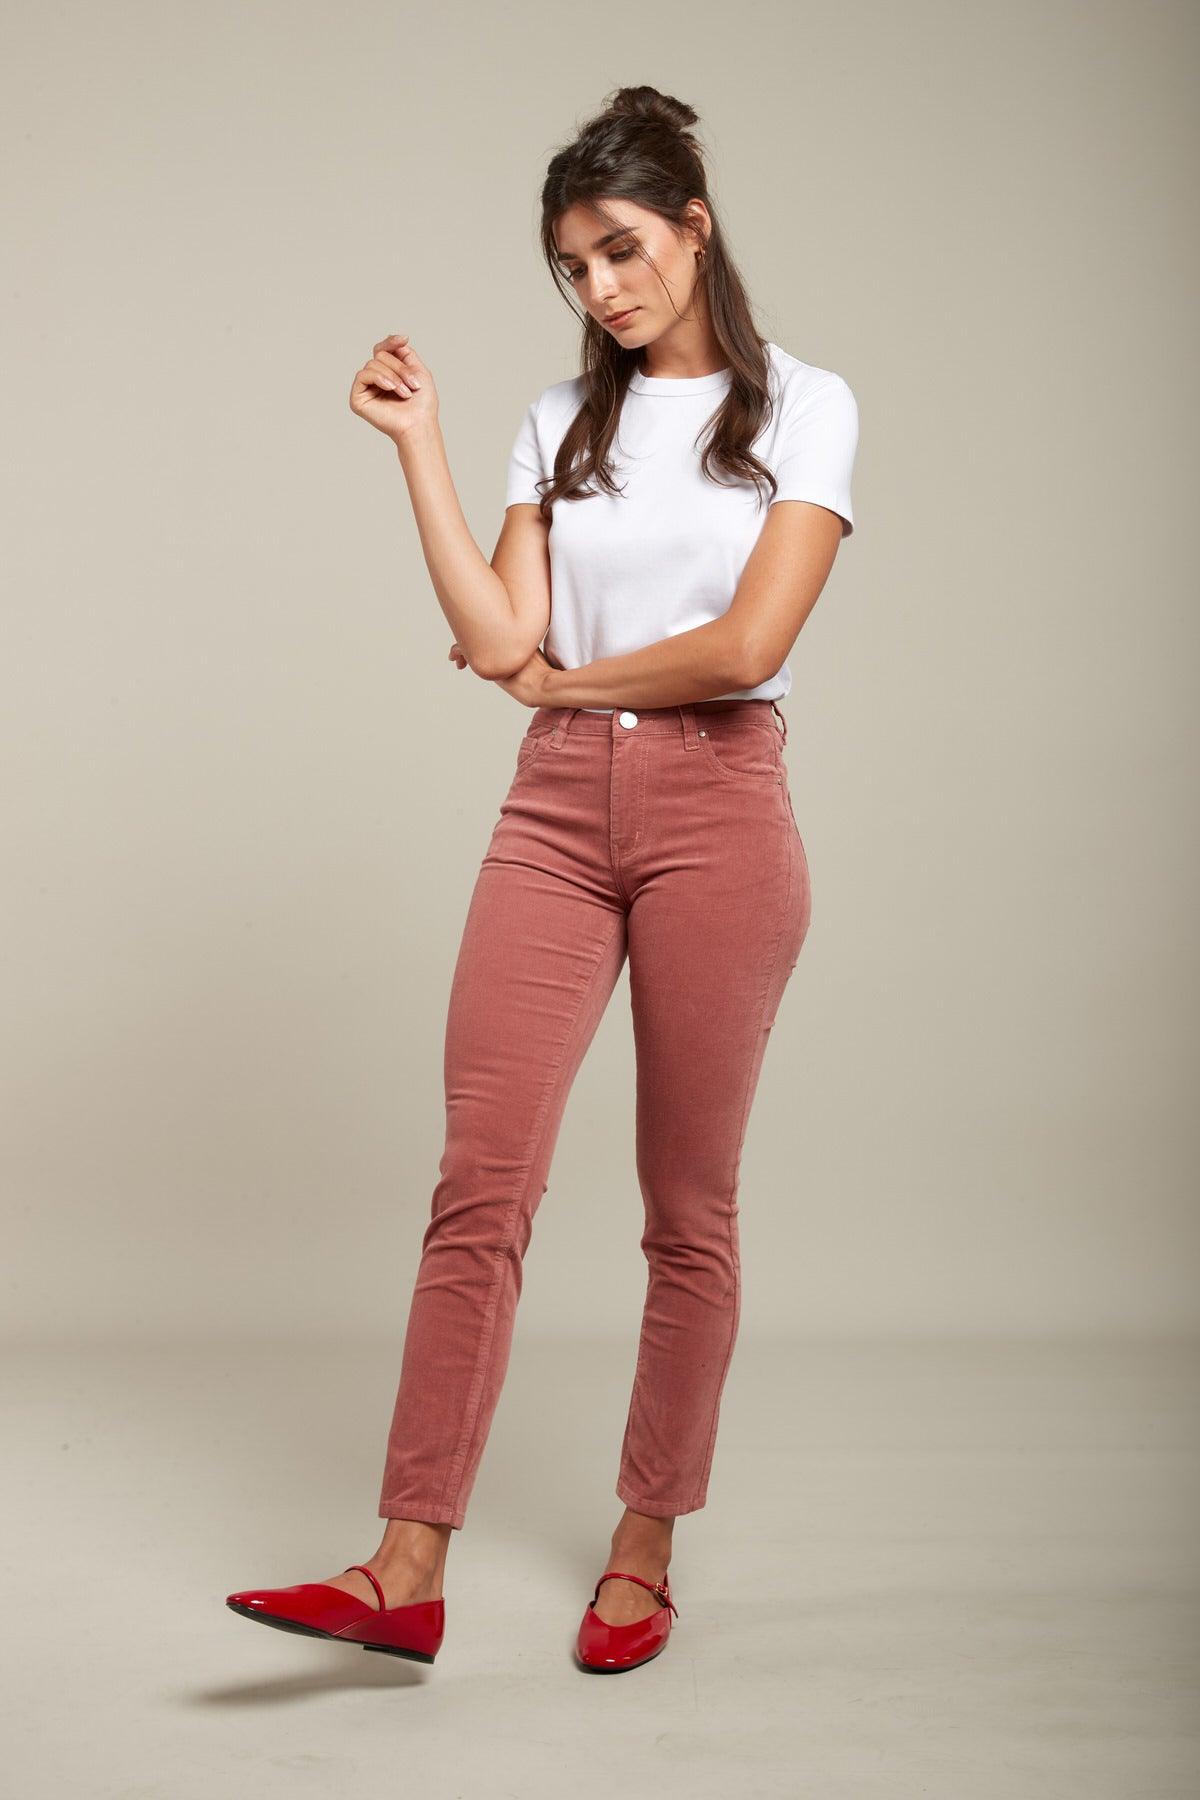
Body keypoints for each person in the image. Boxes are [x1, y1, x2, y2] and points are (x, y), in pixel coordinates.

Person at [226, 82, 859, 1675]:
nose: (603, 287)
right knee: (481, 1182)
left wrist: (564, 682)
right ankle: (405, 1565)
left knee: (685, 1207)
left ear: (695, 227)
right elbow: (497, 632)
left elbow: (749, 644)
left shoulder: (805, 407)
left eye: (623, 249)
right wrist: (419, 451)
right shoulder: (556, 422)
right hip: (557, 815)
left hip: (722, 804)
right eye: (575, 266)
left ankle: (645, 1548)